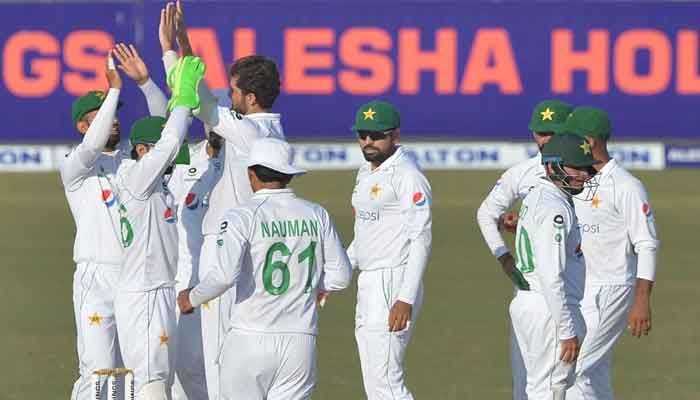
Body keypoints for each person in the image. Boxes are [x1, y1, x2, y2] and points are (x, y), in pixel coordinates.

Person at [159, 3, 286, 396]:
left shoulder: (249, 134)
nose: (227, 95)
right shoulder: (269, 132)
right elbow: (205, 96)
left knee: (219, 363)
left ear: (248, 97)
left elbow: (195, 101)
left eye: (233, 90)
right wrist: (184, 42)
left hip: (228, 251)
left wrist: (169, 50)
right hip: (255, 253)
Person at [177, 137, 353, 399]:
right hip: (300, 341)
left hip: (250, 338)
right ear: (289, 175)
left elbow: (225, 275)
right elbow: (342, 276)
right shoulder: (317, 213)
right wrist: (310, 285)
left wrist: (191, 297)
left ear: (251, 174)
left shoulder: (242, 215)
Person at [112, 55, 205, 399]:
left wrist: (153, 88)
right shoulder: (138, 178)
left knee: (158, 380)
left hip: (152, 291)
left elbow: (164, 136)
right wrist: (182, 99)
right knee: (153, 381)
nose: (171, 159)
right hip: (147, 294)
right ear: (141, 151)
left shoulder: (150, 182)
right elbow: (166, 143)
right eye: (159, 153)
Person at [476, 99, 573, 399]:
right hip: (536, 290)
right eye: (540, 133)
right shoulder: (523, 172)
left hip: (576, 283)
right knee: (530, 381)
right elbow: (485, 213)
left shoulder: (583, 170)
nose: (545, 140)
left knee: (569, 381)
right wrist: (503, 256)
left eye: (553, 133)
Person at [562, 107, 660, 400]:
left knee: (573, 369)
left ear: (589, 141)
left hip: (611, 289)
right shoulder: (578, 179)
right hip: (581, 289)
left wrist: (642, 300)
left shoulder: (626, 186)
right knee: (593, 375)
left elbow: (647, 243)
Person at [347, 100, 432, 399]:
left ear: (395, 135)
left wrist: (404, 298)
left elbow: (421, 238)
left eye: (376, 135)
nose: (368, 142)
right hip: (369, 280)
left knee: (385, 379)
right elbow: (364, 235)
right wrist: (336, 275)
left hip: (393, 280)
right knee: (374, 379)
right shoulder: (366, 171)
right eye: (363, 134)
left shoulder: (407, 175)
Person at [509, 133, 599, 400]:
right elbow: (551, 275)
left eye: (586, 168)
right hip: (549, 309)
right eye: (576, 168)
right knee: (549, 390)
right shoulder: (554, 209)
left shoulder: (538, 197)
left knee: (540, 388)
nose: (584, 175)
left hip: (533, 304)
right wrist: (567, 329)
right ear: (552, 166)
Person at [61, 52, 126, 400]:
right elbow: (93, 147)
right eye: (101, 117)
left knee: (128, 377)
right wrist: (113, 90)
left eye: (115, 114)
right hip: (96, 278)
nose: (112, 121)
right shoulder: (75, 165)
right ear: (83, 127)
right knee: (99, 375)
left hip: (136, 279)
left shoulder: (133, 161)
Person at [167, 129, 223, 400]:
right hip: (185, 278)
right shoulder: (186, 157)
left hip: (225, 278)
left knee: (219, 363)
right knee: (182, 366)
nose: (216, 129)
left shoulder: (243, 160)